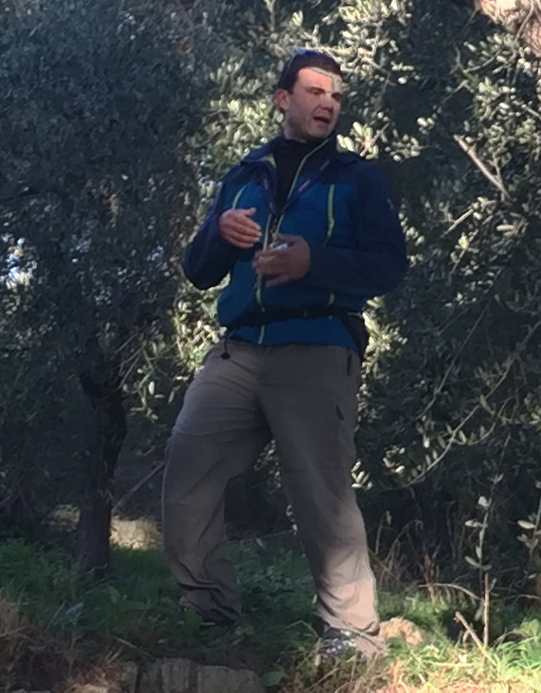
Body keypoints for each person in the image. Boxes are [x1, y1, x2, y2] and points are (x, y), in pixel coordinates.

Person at [161, 49, 407, 657]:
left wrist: (312, 263)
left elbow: (388, 267)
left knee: (321, 492)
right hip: (239, 347)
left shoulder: (358, 178)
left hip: (318, 344)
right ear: (283, 99)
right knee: (187, 468)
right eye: (315, 91)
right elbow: (199, 271)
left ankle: (352, 635)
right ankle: (208, 613)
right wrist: (220, 234)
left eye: (336, 96)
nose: (328, 103)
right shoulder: (245, 174)